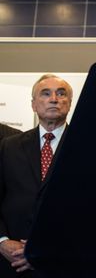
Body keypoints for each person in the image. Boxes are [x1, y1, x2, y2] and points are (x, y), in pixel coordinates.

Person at [0, 74, 73, 277]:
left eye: (61, 93)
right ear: (33, 105)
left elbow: (93, 208)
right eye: (45, 93)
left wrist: (50, 249)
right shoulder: (9, 146)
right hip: (12, 264)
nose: (54, 99)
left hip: (64, 263)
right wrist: (2, 242)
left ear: (69, 103)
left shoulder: (85, 147)